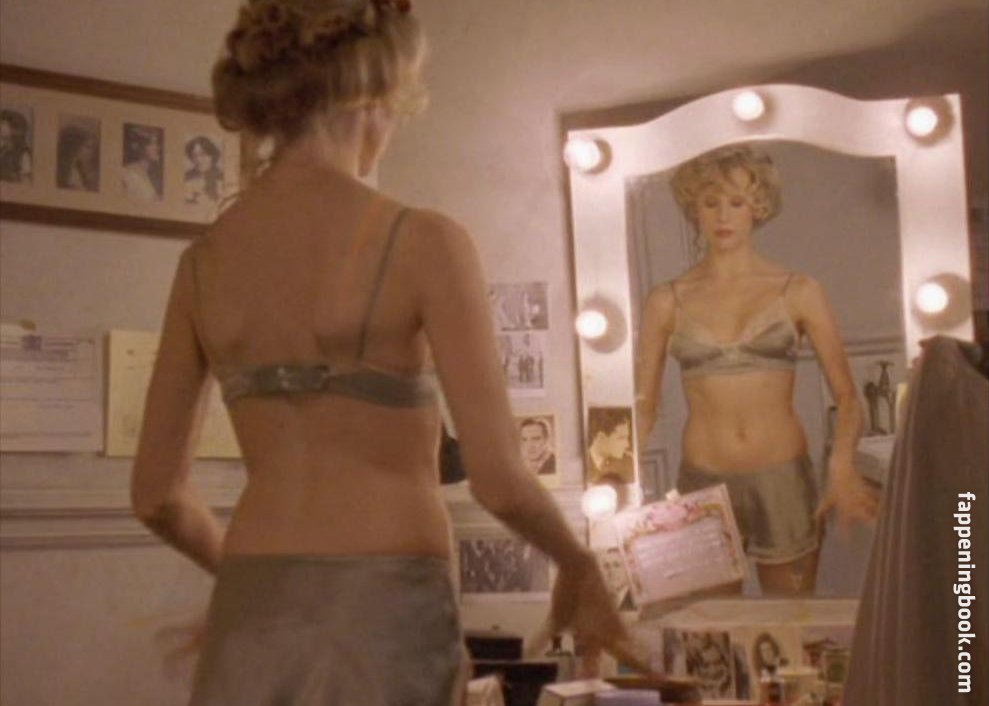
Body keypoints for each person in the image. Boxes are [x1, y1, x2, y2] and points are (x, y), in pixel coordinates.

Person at [129, 1, 636, 703]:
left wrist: (249, 585)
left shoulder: (203, 264)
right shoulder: (424, 242)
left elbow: (156, 497)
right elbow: (497, 480)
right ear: (371, 96)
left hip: (251, 603)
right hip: (385, 606)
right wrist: (577, 563)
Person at [635, 144, 878, 595]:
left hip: (782, 478)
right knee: (709, 629)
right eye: (710, 202)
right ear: (694, 209)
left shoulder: (799, 290)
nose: (723, 216)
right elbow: (641, 406)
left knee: (789, 625)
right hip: (702, 479)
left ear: (758, 207)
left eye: (737, 202)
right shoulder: (666, 299)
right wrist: (612, 479)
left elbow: (847, 397)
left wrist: (842, 465)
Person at [586, 407, 635, 485]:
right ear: (601, 437)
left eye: (627, 438)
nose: (627, 445)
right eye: (621, 438)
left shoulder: (629, 462)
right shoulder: (581, 465)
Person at [122, 125, 164, 201]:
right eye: (152, 144)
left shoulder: (153, 174)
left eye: (157, 143)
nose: (157, 148)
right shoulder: (129, 173)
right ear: (140, 147)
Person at [56, 123, 99, 192]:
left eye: (92, 147)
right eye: (88, 147)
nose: (91, 152)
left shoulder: (81, 170)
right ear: (76, 147)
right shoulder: (68, 174)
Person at [184, 136, 224, 204]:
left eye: (202, 154)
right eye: (194, 156)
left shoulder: (221, 176)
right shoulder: (187, 177)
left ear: (212, 155)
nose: (198, 160)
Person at [0, 109, 33, 183]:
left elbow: (26, 182)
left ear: (14, 128)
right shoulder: (3, 149)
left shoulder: (24, 154)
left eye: (3, 123)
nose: (0, 126)